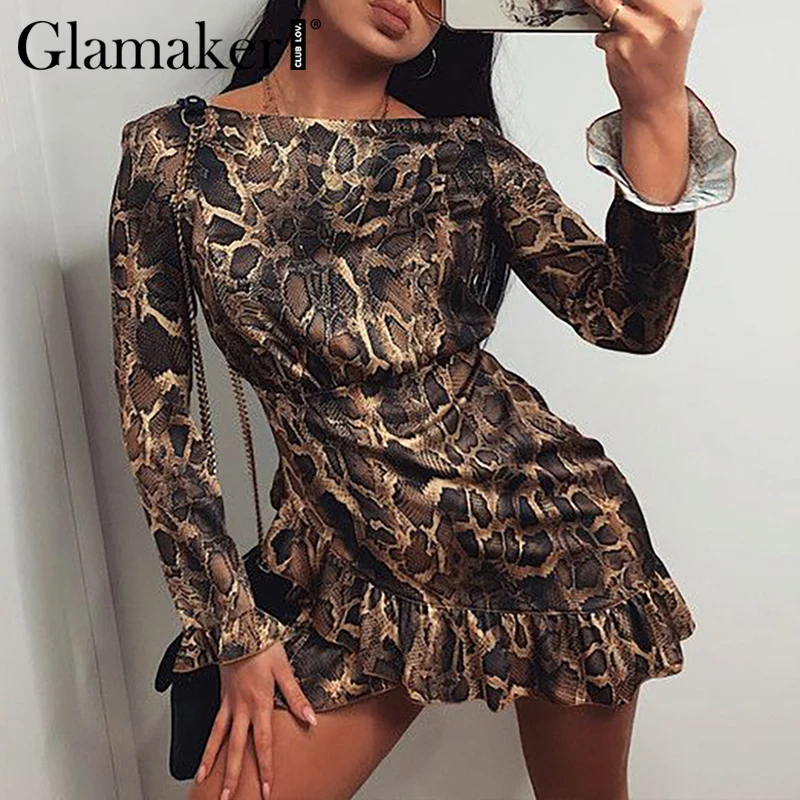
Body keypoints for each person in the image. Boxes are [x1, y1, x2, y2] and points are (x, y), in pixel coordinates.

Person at [107, 0, 736, 798]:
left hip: (555, 547)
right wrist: (233, 629)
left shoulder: (468, 155)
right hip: (353, 575)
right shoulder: (177, 152)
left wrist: (654, 108)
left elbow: (629, 318)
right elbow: (157, 421)